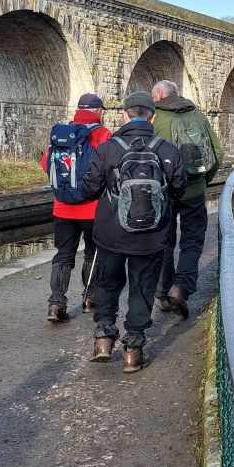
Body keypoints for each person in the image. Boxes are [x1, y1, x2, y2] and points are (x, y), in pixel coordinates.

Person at [79, 91, 187, 371]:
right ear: (152, 116)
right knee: (142, 289)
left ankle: (103, 337)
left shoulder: (107, 148)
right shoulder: (168, 150)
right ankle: (133, 351)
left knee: (106, 284)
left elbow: (88, 189)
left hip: (111, 236)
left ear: (125, 114)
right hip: (151, 237)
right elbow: (179, 191)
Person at [149, 80, 223, 319]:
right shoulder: (198, 115)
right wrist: (202, 181)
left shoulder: (156, 119)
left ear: (159, 95)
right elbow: (217, 153)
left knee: (164, 241)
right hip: (194, 191)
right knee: (192, 242)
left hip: (165, 192)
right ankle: (181, 287)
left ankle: (162, 295)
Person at [40, 93, 113, 323]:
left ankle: (56, 304)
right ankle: (89, 298)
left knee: (63, 255)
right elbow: (109, 167)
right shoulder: (102, 134)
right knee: (93, 252)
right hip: (92, 209)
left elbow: (46, 164)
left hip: (62, 208)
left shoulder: (61, 133)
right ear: (99, 111)